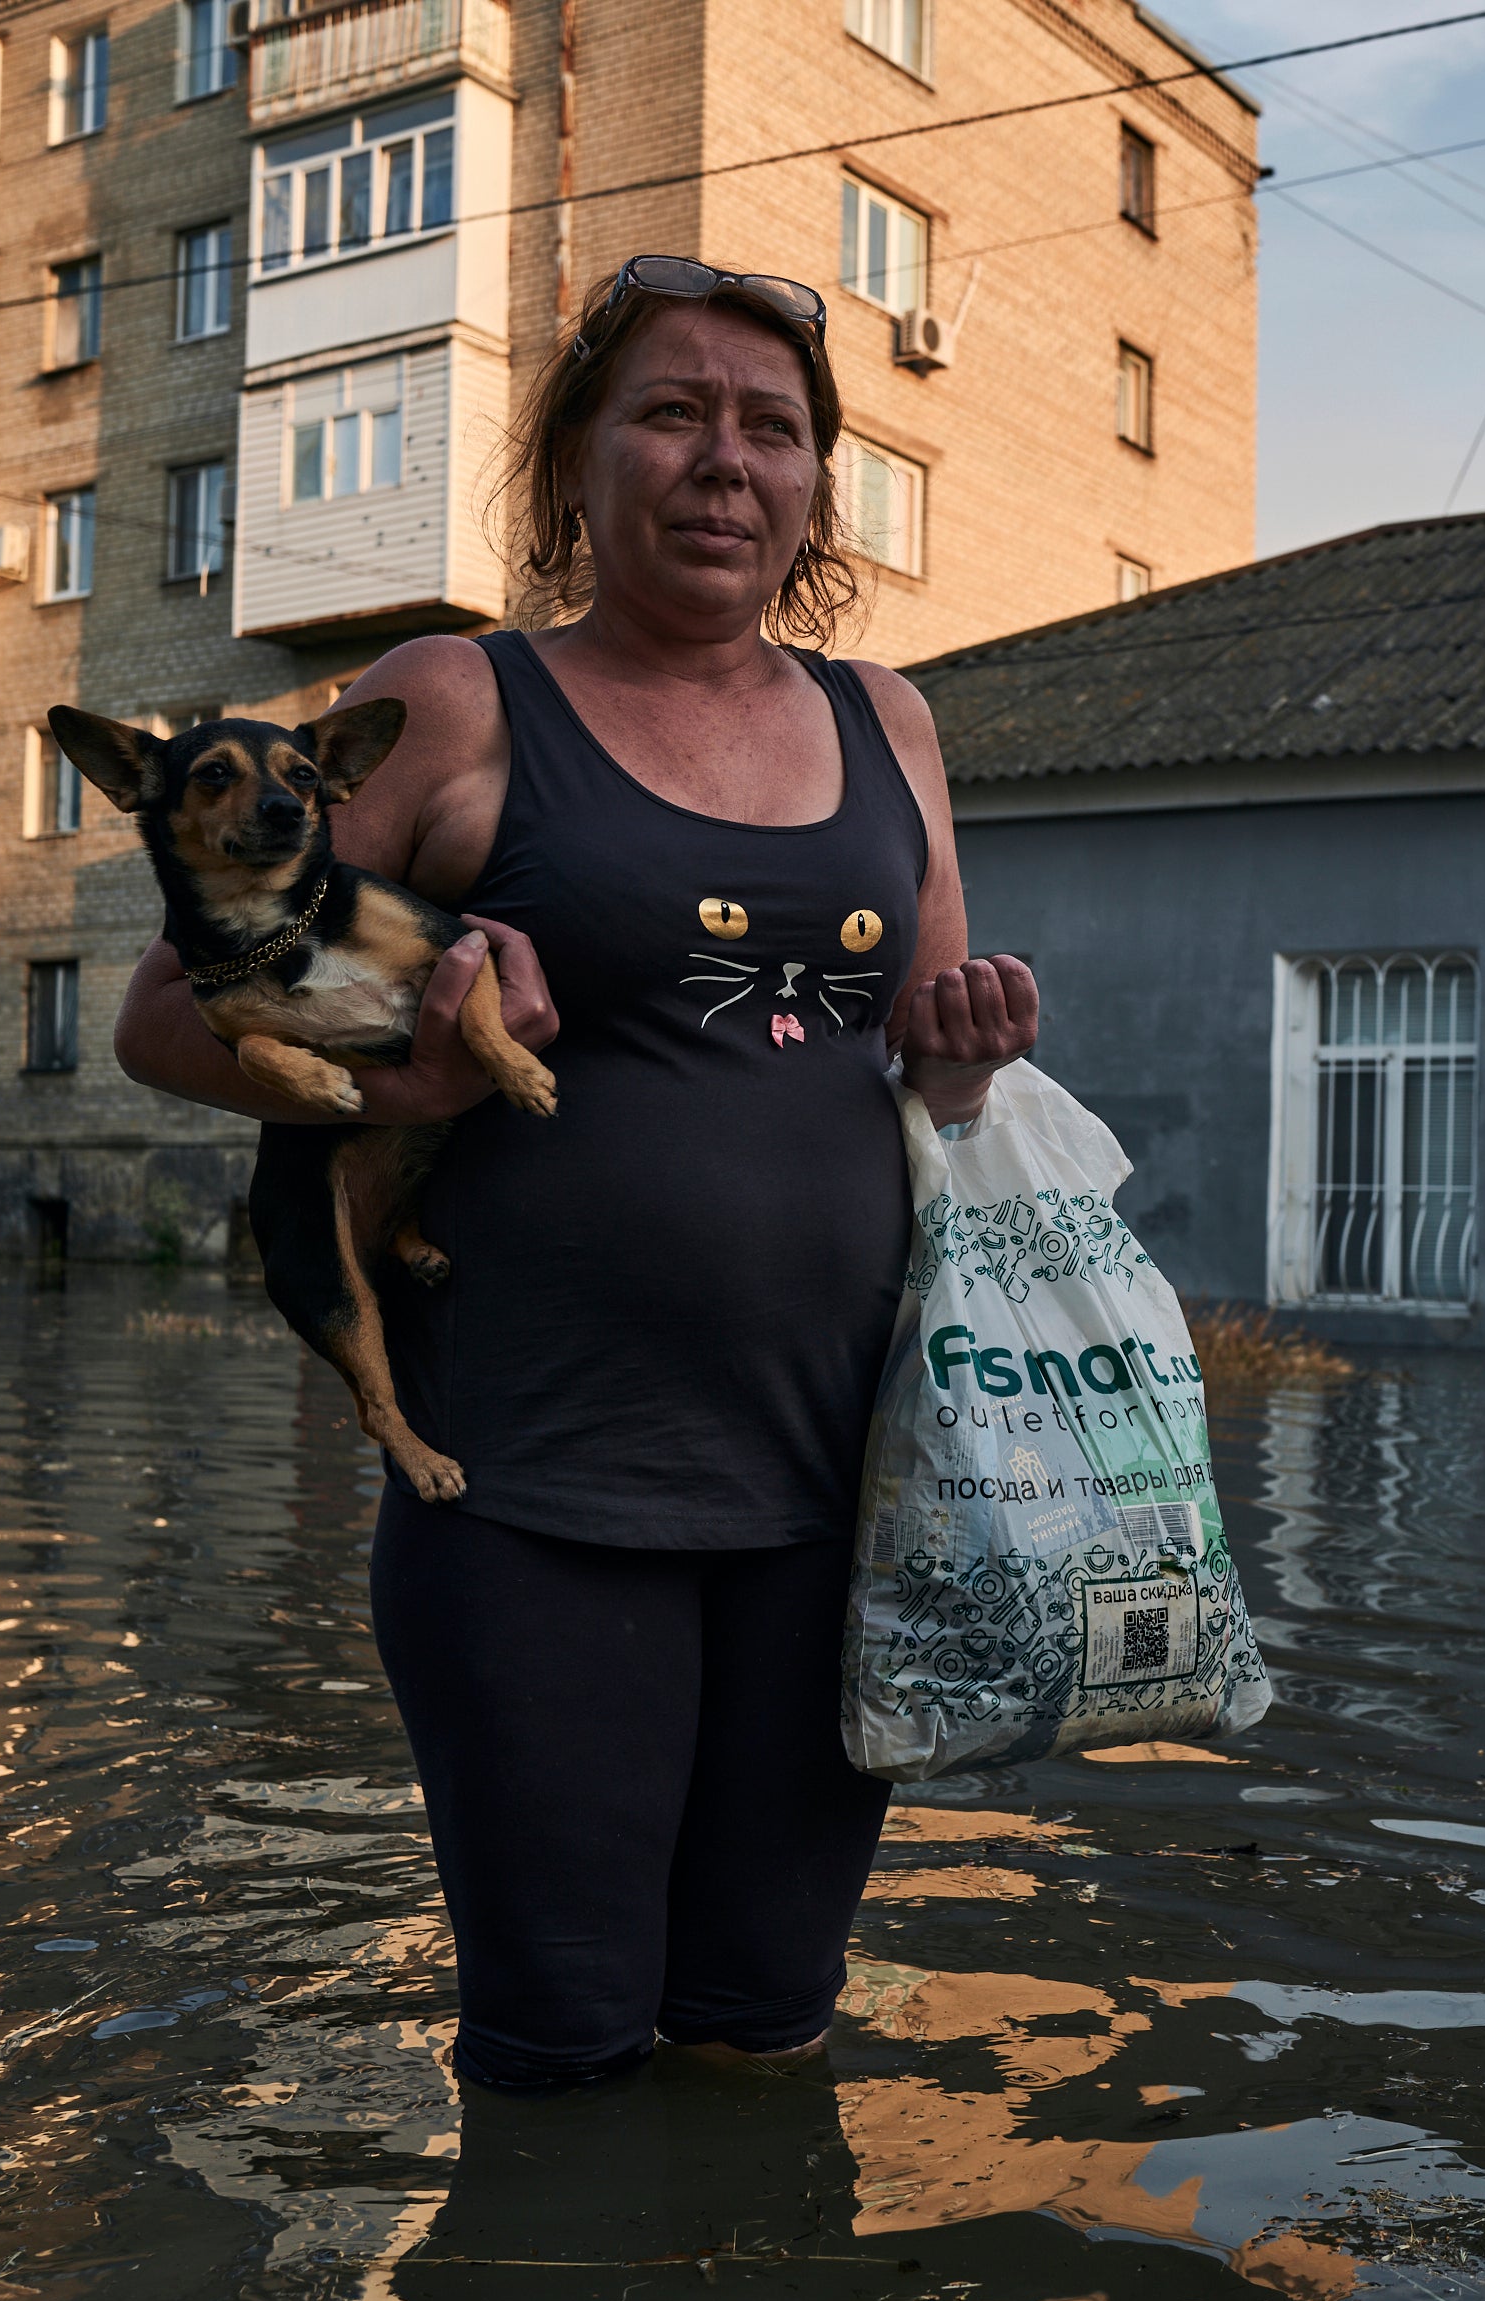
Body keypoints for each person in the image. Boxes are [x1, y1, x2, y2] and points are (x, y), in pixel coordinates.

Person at [112, 256, 1038, 2089]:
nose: (724, 462)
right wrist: (406, 1070)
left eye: (771, 428)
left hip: (837, 1491)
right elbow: (167, 1015)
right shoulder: (461, 700)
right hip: (539, 1489)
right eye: (673, 414)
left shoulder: (890, 723)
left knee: (767, 2030)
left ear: (814, 484)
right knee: (564, 2048)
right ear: (580, 461)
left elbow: (911, 1062)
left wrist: (958, 1057)